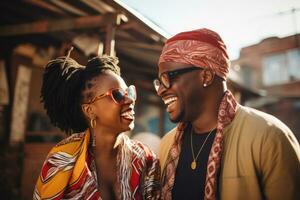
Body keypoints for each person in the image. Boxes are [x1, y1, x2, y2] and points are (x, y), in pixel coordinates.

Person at [153, 28, 300, 200]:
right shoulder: (167, 145)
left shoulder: (268, 137)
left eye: (167, 78)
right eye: (159, 82)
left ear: (206, 76)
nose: (161, 90)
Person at [34, 52, 161, 200]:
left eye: (130, 92)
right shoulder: (61, 160)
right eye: (118, 95)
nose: (130, 100)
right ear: (90, 110)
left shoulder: (146, 159)